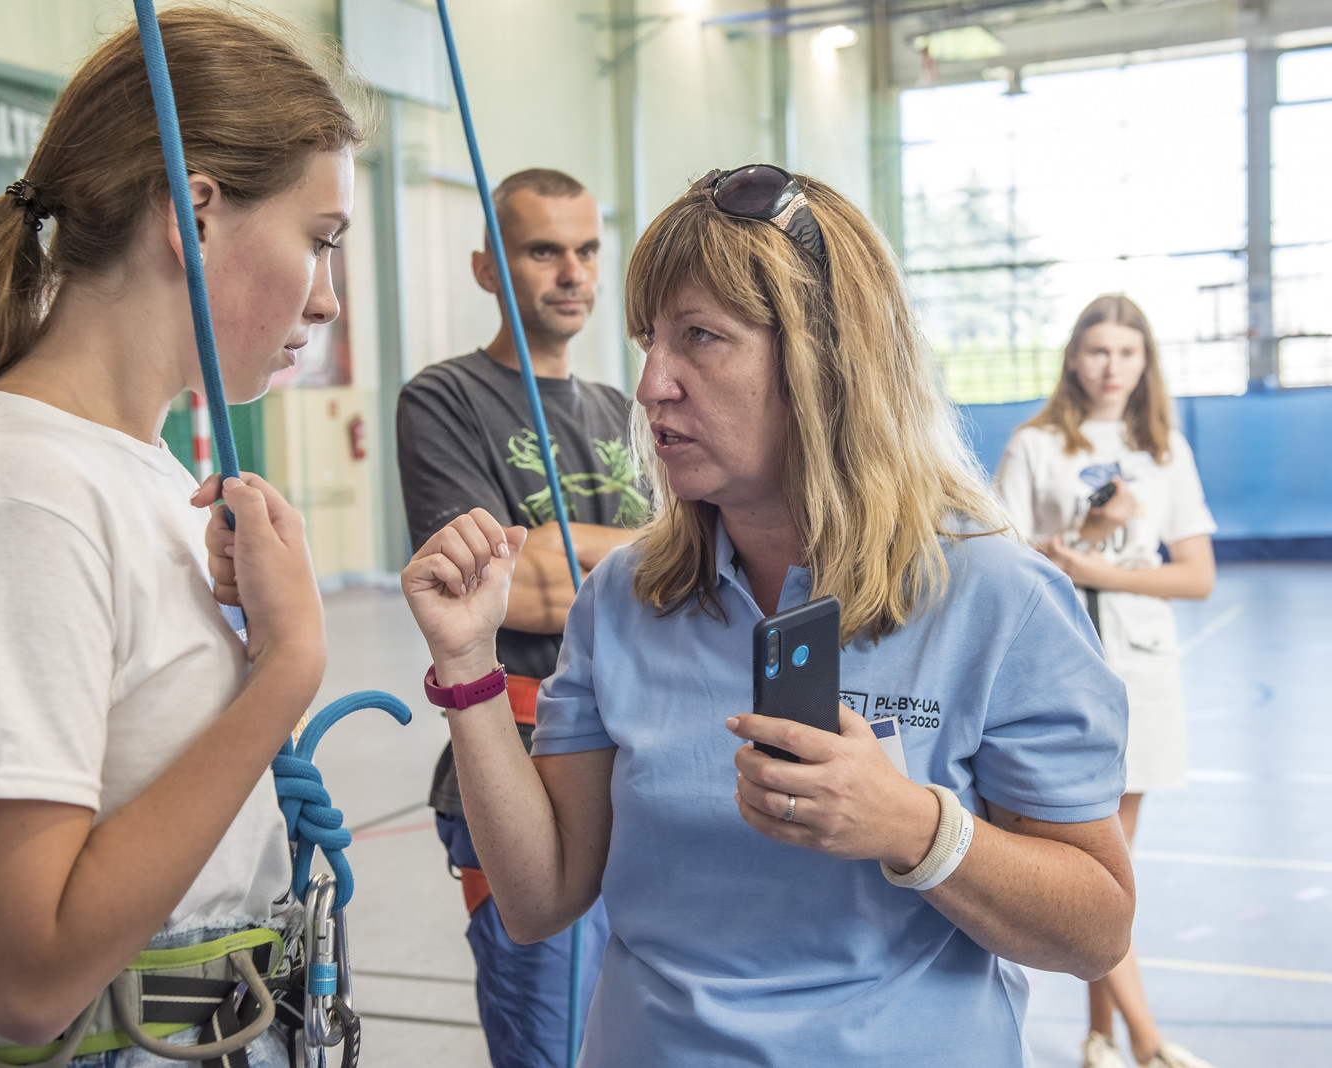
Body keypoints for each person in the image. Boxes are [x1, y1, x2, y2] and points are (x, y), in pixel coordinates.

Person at [398, 165, 1137, 1065]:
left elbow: (1096, 929)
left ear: (826, 360)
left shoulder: (997, 597)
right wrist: (468, 669)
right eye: (649, 341)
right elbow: (539, 898)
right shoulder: (623, 599)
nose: (652, 385)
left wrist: (915, 827)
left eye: (700, 337)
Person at [0, 9, 360, 1065]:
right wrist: (283, 672)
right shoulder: (12, 501)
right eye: (320, 242)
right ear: (194, 215)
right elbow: (24, 978)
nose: (328, 299)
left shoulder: (132, 468)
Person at [395, 167, 644, 1067]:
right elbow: (509, 588)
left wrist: (572, 550)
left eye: (586, 251)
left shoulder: (624, 411)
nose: (572, 272)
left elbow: (697, 567)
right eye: (544, 251)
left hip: (636, 762)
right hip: (522, 760)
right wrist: (661, 550)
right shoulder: (445, 400)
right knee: (552, 1044)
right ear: (487, 269)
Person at [995, 294, 1218, 1068]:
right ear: (1073, 358)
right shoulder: (1034, 445)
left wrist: (1100, 569)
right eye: (1097, 350)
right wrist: (1083, 539)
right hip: (1062, 670)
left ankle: (1100, 1035)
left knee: (1110, 869)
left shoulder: (1166, 451)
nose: (1111, 367)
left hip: (1144, 674)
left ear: (1146, 361)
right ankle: (1148, 1044)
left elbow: (1196, 576)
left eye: (1127, 352)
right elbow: (1000, 564)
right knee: (1094, 865)